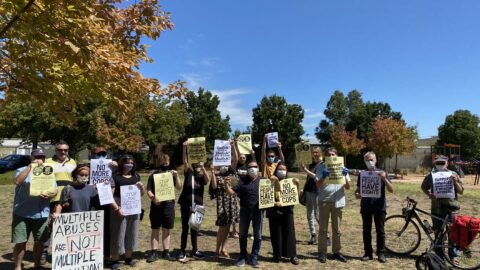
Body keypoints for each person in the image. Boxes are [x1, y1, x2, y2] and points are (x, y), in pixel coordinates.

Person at [12, 149, 57, 270]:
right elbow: (17, 181)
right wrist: (29, 168)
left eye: (42, 157)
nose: (39, 159)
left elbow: (55, 189)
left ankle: (37, 266)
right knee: (20, 242)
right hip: (22, 212)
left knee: (39, 242)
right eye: (36, 156)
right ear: (31, 158)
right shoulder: (22, 170)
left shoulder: (48, 171)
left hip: (41, 213)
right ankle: (17, 266)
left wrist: (50, 195)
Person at [421, 155, 463, 262]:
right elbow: (423, 187)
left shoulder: (454, 174)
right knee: (438, 232)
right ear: (435, 163)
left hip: (452, 208)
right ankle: (439, 256)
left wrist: (455, 182)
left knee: (452, 233)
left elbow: (461, 191)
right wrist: (429, 194)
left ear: (447, 163)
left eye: (442, 163)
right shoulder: (431, 175)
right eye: (438, 163)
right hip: (437, 208)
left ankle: (453, 256)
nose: (440, 165)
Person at [354, 152, 393, 263]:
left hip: (379, 207)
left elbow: (391, 189)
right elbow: (358, 190)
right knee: (366, 230)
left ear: (375, 160)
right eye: (367, 160)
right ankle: (368, 253)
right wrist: (357, 194)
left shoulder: (382, 172)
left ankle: (381, 253)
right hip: (366, 206)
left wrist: (384, 179)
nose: (369, 162)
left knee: (380, 231)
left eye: (371, 159)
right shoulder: (362, 174)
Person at [42, 141, 77, 263]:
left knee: (66, 227)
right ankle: (43, 253)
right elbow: (42, 180)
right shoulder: (47, 162)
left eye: (65, 150)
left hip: (69, 199)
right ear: (55, 150)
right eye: (60, 150)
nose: (63, 152)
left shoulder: (73, 162)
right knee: (49, 226)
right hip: (52, 198)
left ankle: (63, 253)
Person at [225, 160, 263, 268]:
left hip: (258, 211)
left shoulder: (263, 181)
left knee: (258, 235)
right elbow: (232, 192)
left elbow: (272, 193)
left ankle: (254, 257)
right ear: (246, 170)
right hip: (245, 211)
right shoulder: (242, 181)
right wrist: (226, 185)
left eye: (254, 167)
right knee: (242, 235)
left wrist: (275, 182)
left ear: (258, 168)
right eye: (250, 167)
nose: (252, 169)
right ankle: (242, 256)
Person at [315, 147, 350, 263]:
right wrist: (324, 176)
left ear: (337, 155)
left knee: (337, 229)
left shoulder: (343, 167)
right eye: (329, 154)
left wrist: (345, 175)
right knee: (323, 229)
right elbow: (318, 185)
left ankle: (336, 252)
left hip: (338, 201)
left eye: (333, 154)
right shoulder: (321, 167)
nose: (331, 156)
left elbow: (348, 186)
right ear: (325, 156)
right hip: (324, 201)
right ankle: (322, 252)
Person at [110, 155, 145, 270]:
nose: (129, 164)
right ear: (122, 164)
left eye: (131, 162)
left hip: (134, 208)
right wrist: (116, 208)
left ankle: (128, 258)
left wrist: (142, 188)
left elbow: (141, 194)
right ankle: (114, 259)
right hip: (119, 208)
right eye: (127, 162)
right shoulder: (115, 177)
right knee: (118, 234)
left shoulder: (136, 176)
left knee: (132, 232)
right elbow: (110, 196)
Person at [177, 141, 210, 262]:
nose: (197, 165)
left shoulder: (201, 176)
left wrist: (203, 168)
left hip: (198, 205)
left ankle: (195, 250)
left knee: (194, 228)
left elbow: (207, 180)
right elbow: (185, 161)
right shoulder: (189, 173)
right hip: (186, 204)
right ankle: (182, 250)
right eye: (195, 163)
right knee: (185, 228)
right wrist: (185, 148)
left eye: (198, 164)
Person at [146, 154, 181, 262]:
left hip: (169, 206)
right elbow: (149, 190)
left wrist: (177, 176)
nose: (165, 164)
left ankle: (166, 252)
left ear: (169, 163)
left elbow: (179, 187)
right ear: (159, 163)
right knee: (155, 229)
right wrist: (153, 198)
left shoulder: (171, 174)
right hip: (156, 206)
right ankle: (154, 252)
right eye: (163, 163)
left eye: (167, 163)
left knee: (166, 230)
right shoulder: (153, 175)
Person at [210, 142, 239, 259]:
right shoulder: (217, 175)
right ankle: (217, 250)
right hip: (222, 203)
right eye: (221, 164)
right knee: (222, 227)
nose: (224, 166)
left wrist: (233, 146)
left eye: (225, 164)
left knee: (228, 228)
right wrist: (212, 173)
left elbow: (236, 159)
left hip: (232, 203)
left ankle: (224, 248)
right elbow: (213, 187)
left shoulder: (232, 172)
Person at [267, 163, 300, 265]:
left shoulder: (290, 182)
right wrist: (274, 203)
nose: (281, 171)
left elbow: (295, 198)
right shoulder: (270, 182)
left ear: (286, 171)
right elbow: (265, 198)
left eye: (283, 169)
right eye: (279, 169)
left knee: (289, 232)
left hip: (287, 210)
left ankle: (292, 255)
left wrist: (298, 185)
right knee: (275, 233)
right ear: (276, 170)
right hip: (273, 210)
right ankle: (277, 255)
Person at [300, 146, 323, 245]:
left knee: (317, 215)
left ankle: (326, 235)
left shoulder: (323, 164)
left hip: (316, 191)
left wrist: (306, 170)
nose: (314, 154)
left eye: (316, 152)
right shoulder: (311, 163)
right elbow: (301, 158)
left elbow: (317, 176)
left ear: (320, 153)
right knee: (309, 215)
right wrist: (302, 146)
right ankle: (313, 235)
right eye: (313, 152)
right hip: (308, 190)